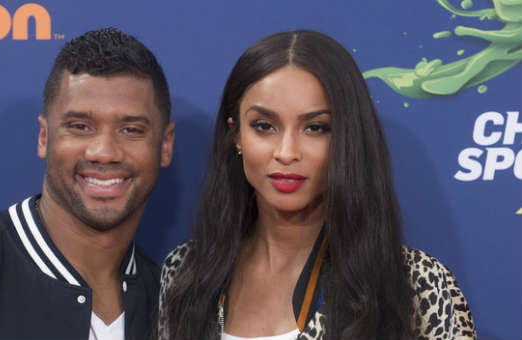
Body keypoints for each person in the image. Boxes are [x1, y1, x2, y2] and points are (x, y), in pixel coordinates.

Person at [158, 30, 476, 340]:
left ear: (347, 138)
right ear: (236, 135)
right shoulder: (185, 273)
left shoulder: (415, 283)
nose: (286, 152)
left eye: (315, 128)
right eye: (264, 126)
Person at [0, 27, 174, 340]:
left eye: (131, 130)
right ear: (44, 137)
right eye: (80, 126)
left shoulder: (170, 301)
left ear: (165, 145)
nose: (104, 152)